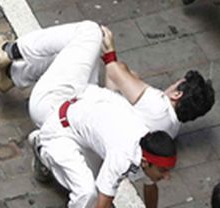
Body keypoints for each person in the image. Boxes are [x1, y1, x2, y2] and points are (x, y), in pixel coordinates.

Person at [0, 22, 214, 136]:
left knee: (91, 32)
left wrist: (111, 52)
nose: (169, 86)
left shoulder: (158, 105)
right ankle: (11, 75)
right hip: (82, 116)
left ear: (178, 93)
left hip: (61, 108)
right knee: (80, 58)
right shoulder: (169, 131)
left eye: (174, 84)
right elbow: (117, 81)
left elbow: (115, 71)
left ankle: (9, 50)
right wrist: (122, 71)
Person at [29, 83, 178, 208]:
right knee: (87, 193)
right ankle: (41, 144)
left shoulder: (147, 147)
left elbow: (150, 185)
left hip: (88, 118)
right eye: (163, 170)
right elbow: (103, 203)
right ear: (145, 162)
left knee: (98, 182)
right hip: (61, 129)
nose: (167, 177)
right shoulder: (123, 157)